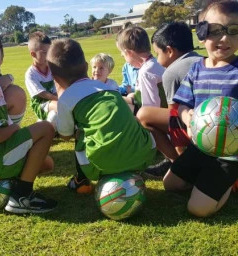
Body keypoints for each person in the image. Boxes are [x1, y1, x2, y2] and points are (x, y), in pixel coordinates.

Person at [46, 38, 156, 193]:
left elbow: (65, 135)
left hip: (101, 164)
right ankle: (133, 170)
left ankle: (81, 180)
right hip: (144, 155)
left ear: (55, 78)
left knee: (80, 133)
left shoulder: (66, 98)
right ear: (85, 66)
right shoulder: (109, 88)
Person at [163, 0, 238, 217]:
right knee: (170, 184)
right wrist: (188, 117)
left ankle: (226, 182)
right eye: (216, 31)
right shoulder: (197, 69)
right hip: (200, 147)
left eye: (234, 31)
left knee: (197, 210)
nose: (225, 38)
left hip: (228, 155)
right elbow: (183, 104)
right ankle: (206, 183)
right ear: (202, 33)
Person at [0, 28, 57, 214]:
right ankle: (21, 196)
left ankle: (4, 183)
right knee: (45, 128)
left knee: (46, 164)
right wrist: (15, 130)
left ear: (2, 56)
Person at [138, 22, 202, 179]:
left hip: (197, 127)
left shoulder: (172, 72)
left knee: (144, 114)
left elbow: (175, 119)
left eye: (157, 54)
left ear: (169, 51)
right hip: (222, 125)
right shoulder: (204, 60)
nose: (157, 60)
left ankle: (178, 164)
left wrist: (182, 160)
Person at [116, 26, 165, 114]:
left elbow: (150, 109)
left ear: (129, 53)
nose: (121, 55)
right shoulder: (156, 64)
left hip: (158, 120)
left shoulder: (146, 72)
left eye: (123, 53)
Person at [25, 31, 58, 130]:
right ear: (33, 54)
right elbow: (42, 94)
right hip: (41, 104)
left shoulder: (52, 67)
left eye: (50, 51)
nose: (49, 55)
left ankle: (52, 126)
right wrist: (59, 98)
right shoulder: (31, 74)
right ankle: (45, 126)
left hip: (54, 100)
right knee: (60, 106)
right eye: (44, 52)